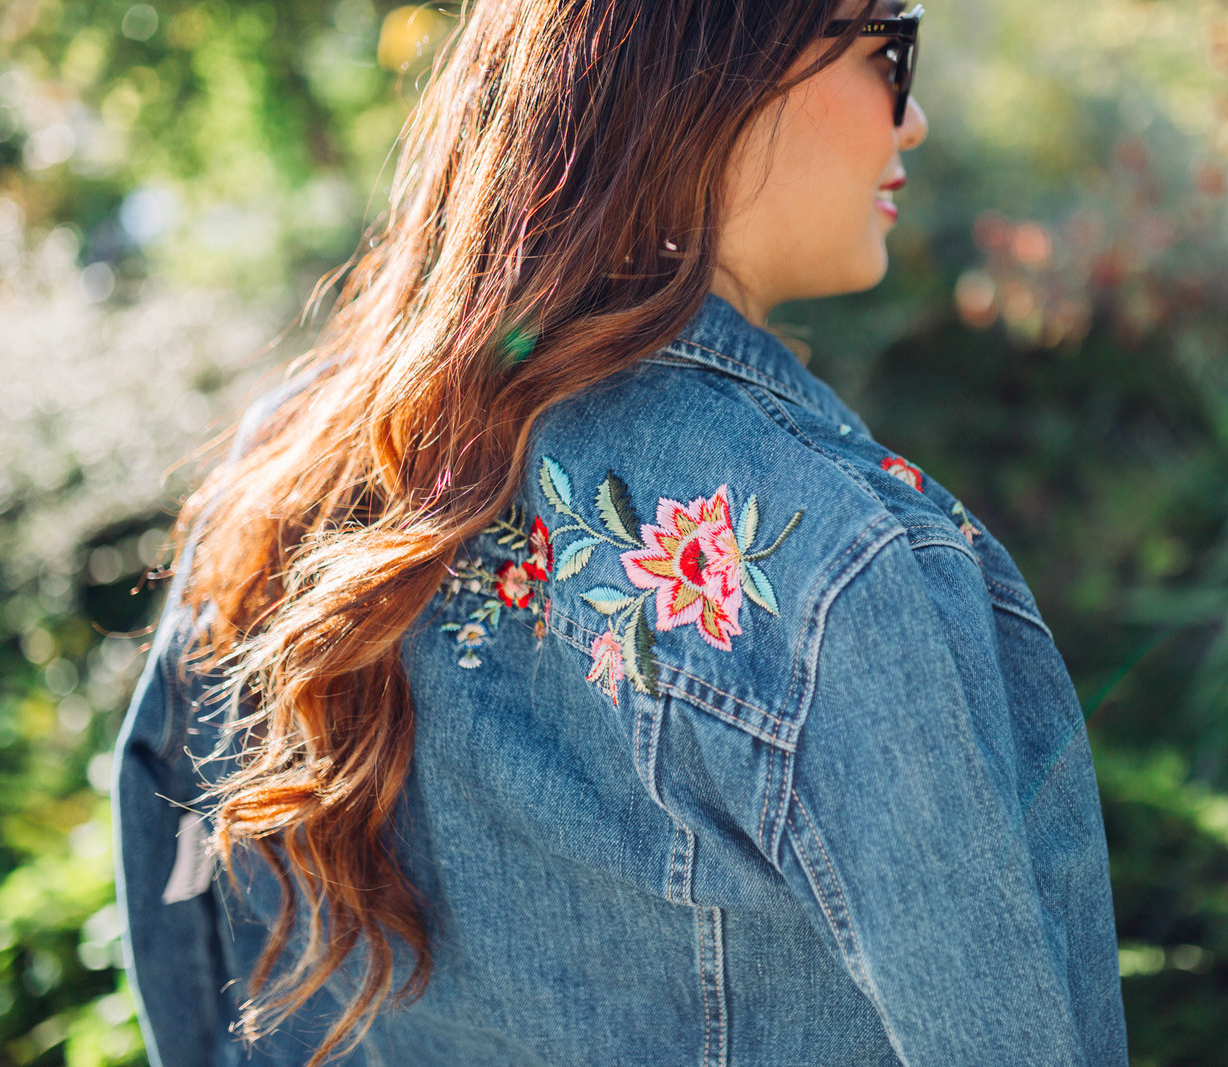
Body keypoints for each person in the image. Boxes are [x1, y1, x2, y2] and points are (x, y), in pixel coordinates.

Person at [111, 0, 1129, 1062]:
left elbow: (191, 928)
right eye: (888, 48)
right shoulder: (836, 561)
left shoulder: (294, 470)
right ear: (723, 66)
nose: (911, 118)